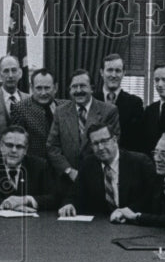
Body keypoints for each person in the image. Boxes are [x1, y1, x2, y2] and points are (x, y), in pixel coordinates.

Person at [46, 68, 120, 202]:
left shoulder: (109, 111)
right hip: (67, 183)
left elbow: (113, 146)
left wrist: (89, 173)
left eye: (83, 86)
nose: (78, 90)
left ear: (92, 88)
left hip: (99, 181)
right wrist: (69, 171)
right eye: (74, 87)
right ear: (69, 90)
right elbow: (52, 147)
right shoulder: (60, 112)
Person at [58, 123, 159, 221]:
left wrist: (125, 211)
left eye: (104, 141)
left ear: (115, 140)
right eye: (96, 143)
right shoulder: (88, 164)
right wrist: (69, 204)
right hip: (101, 227)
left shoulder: (140, 162)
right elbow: (74, 193)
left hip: (133, 223)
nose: (100, 147)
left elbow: (151, 197)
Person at [0, 125, 57, 212]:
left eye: (19, 147)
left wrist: (25, 200)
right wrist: (9, 205)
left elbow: (53, 198)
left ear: (25, 150)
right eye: (9, 145)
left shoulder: (39, 166)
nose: (14, 150)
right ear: (1, 146)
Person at [9, 67, 59, 168]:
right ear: (31, 88)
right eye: (39, 88)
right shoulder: (20, 109)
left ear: (55, 88)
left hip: (61, 171)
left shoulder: (63, 106)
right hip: (35, 170)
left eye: (47, 88)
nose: (43, 93)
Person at [100, 52, 147, 153]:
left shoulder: (135, 104)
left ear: (123, 73)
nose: (114, 75)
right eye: (109, 70)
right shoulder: (92, 99)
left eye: (118, 71)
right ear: (101, 72)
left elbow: (138, 141)